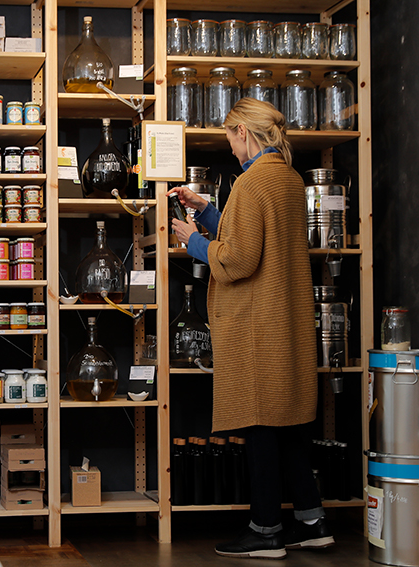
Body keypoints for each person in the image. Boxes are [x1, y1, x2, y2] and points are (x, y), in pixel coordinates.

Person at [169, 98, 332, 559]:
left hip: (256, 325)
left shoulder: (249, 182)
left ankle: (265, 531)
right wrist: (205, 209)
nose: (231, 148)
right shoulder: (286, 179)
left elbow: (237, 257)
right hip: (287, 321)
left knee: (260, 424)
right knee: (289, 424)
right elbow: (253, 235)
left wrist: (193, 240)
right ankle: (312, 520)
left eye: (229, 138)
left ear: (243, 131)